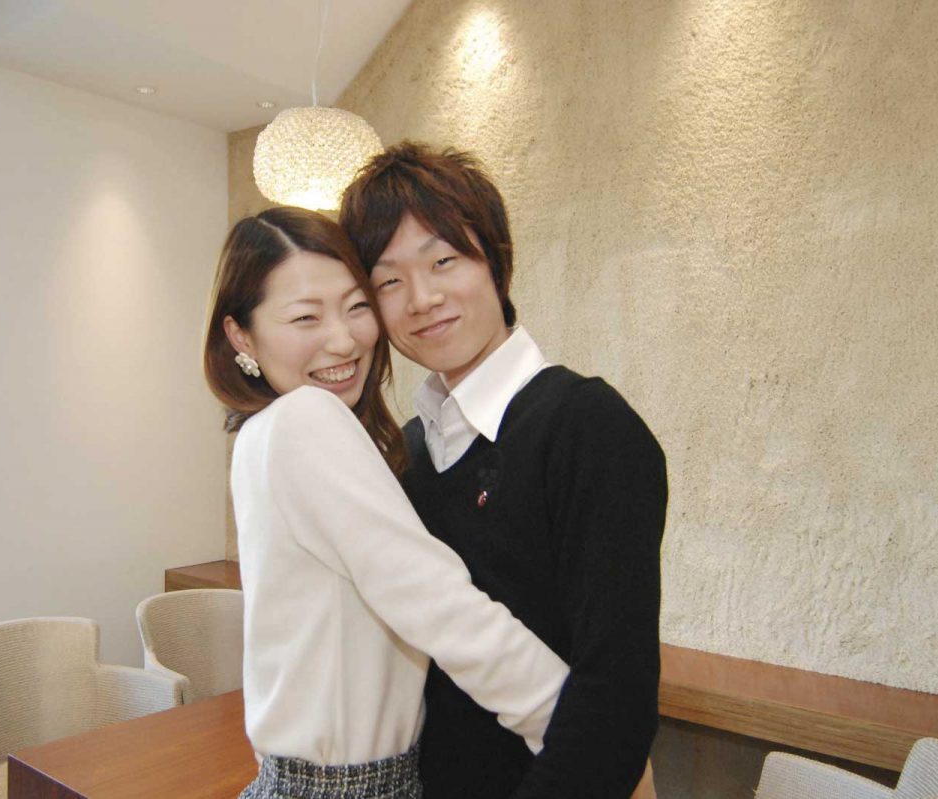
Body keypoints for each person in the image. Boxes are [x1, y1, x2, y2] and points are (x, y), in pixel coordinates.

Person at [203, 206, 570, 799]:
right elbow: (436, 600)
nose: (343, 339)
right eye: (305, 317)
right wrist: (581, 731)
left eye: (357, 306)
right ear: (240, 335)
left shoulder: (262, 433)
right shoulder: (304, 419)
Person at [339, 142, 668, 799]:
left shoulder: (588, 427)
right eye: (389, 281)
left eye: (443, 260)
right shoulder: (407, 452)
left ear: (496, 261)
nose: (422, 298)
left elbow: (615, 702)